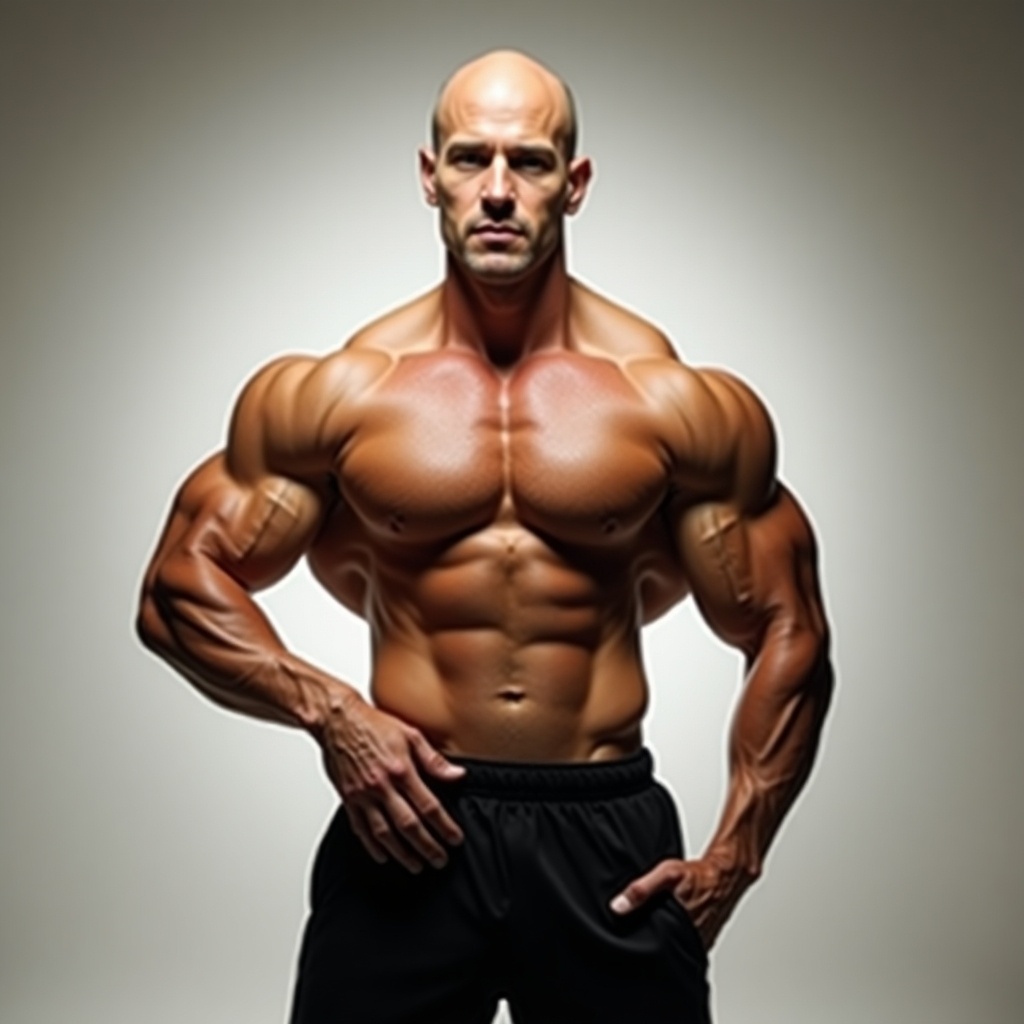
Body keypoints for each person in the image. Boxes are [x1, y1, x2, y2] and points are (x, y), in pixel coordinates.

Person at [137, 48, 833, 1024]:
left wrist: (736, 855)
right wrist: (335, 714)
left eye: (531, 162)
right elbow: (176, 587)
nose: (497, 191)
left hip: (604, 827)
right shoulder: (343, 391)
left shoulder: (673, 402)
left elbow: (788, 629)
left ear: (574, 183)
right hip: (407, 820)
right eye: (470, 159)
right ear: (430, 176)